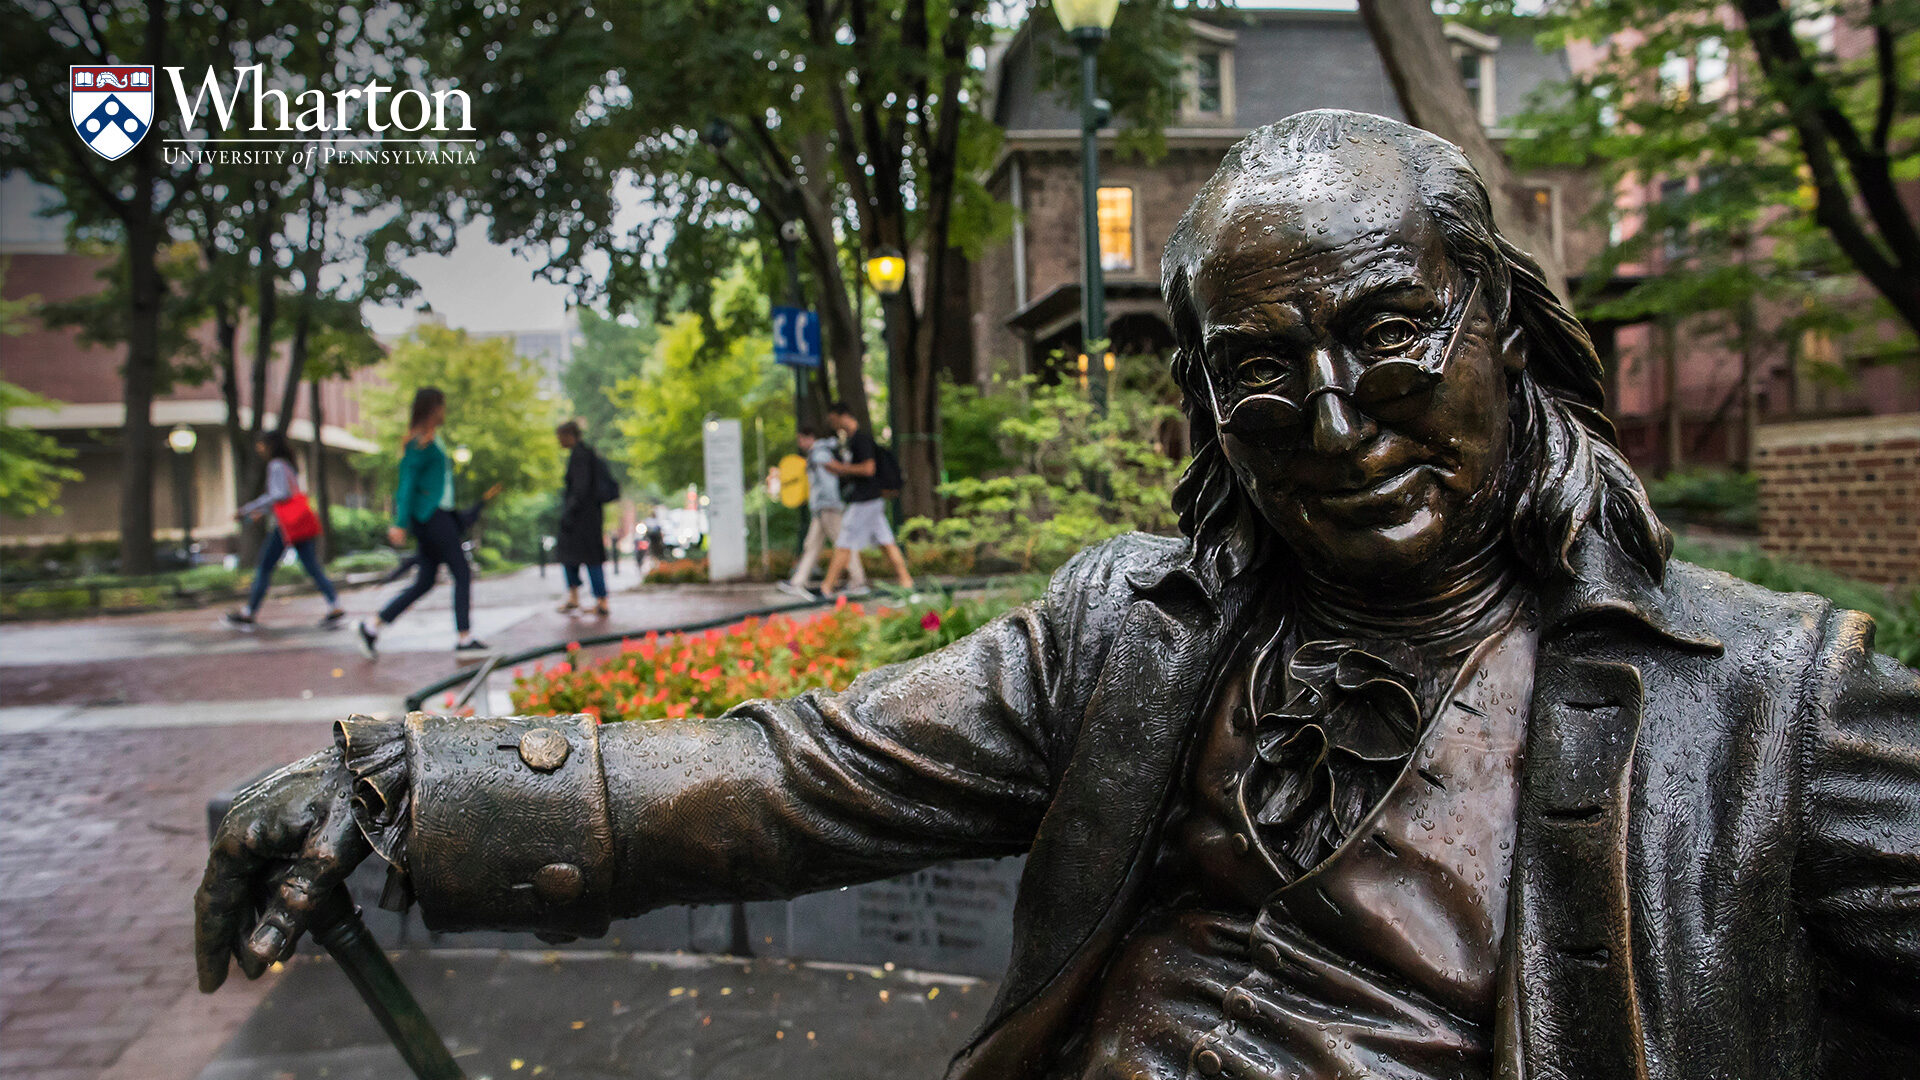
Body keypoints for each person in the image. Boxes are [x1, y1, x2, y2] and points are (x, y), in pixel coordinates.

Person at [197, 112, 1920, 1080]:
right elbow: (799, 771)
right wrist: (411, 788)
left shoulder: (1770, 706)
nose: (1331, 425)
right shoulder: (1134, 629)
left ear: (1512, 336)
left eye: (1389, 335)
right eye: (1259, 374)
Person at [355, 387, 487, 657]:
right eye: (442, 405)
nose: (444, 411)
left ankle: (372, 626)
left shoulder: (432, 439)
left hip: (439, 516)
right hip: (431, 518)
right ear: (432, 407)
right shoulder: (419, 443)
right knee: (461, 572)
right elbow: (406, 484)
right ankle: (464, 638)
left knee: (425, 581)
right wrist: (399, 522)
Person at [224, 432, 346, 630]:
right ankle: (335, 604)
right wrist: (261, 511)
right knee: (311, 566)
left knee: (264, 567)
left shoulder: (276, 465)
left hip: (286, 526)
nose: (259, 448)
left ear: (269, 445)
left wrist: (248, 509)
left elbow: (279, 495)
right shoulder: (289, 465)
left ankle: (249, 613)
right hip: (299, 523)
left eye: (261, 444)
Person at [816, 403, 913, 594]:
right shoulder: (853, 441)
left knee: (844, 542)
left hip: (864, 500)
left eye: (833, 420)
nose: (833, 425)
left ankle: (826, 588)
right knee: (886, 542)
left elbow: (869, 469)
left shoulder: (860, 440)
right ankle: (906, 582)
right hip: (871, 499)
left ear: (842, 416)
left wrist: (840, 468)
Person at [777, 425, 868, 599]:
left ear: (809, 437)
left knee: (843, 544)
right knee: (812, 544)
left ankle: (859, 581)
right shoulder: (818, 453)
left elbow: (827, 483)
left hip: (828, 506)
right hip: (822, 507)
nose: (800, 444)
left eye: (801, 439)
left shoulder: (819, 454)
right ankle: (798, 582)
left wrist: (829, 503)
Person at [555, 420, 612, 617]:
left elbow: (580, 488)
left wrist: (569, 512)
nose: (559, 442)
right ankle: (588, 598)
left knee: (581, 557)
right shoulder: (587, 453)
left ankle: (597, 599)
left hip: (582, 519)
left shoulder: (580, 456)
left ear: (569, 435)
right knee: (585, 558)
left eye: (560, 437)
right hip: (589, 516)